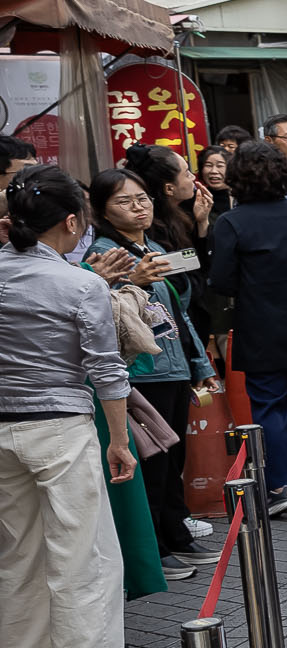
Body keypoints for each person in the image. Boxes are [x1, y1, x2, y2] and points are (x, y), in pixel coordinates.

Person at [0, 166, 146, 648]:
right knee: (80, 551)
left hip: (3, 427)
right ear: (71, 221)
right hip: (59, 425)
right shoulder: (80, 282)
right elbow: (106, 371)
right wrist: (118, 440)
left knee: (16, 554)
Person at [83, 168, 214, 573]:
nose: (138, 207)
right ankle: (155, 550)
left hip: (173, 367)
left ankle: (177, 535)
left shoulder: (153, 246)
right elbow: (99, 315)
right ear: (102, 209)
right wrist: (130, 281)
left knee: (173, 462)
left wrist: (200, 364)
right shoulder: (105, 257)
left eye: (142, 198)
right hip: (140, 373)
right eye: (124, 201)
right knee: (152, 467)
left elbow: (179, 313)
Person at [208, 141, 287, 513]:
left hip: (262, 329)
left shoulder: (231, 222)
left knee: (269, 408)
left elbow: (222, 282)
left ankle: (281, 484)